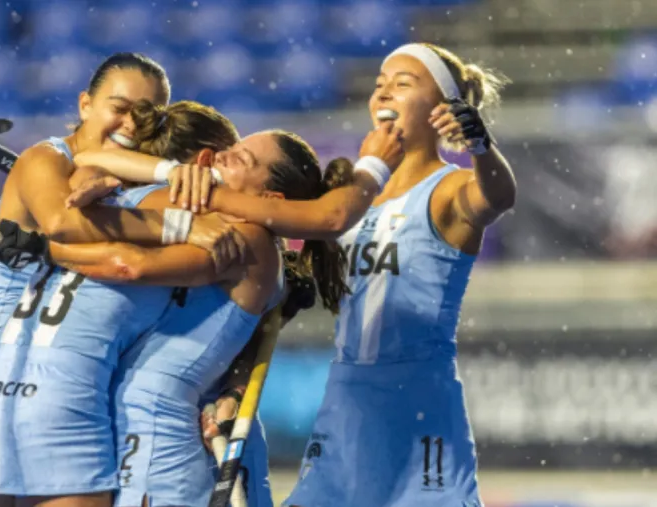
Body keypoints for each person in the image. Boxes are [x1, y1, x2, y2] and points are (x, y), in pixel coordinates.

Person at [181, 42, 516, 507]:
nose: (384, 93)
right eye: (379, 84)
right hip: (347, 395)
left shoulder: (449, 187)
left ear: (443, 107)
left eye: (403, 84)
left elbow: (497, 196)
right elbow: (276, 221)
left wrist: (482, 149)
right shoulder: (350, 194)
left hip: (416, 397)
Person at [0, 53, 244, 507]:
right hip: (32, 392)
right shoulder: (45, 159)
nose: (131, 124)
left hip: (10, 394)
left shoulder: (131, 186)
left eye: (148, 116)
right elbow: (64, 221)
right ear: (85, 104)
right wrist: (180, 224)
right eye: (118, 107)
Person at [54, 124, 348, 507]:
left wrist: (48, 244)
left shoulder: (246, 238)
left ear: (268, 197)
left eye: (241, 158)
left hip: (168, 428)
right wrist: (165, 173)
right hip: (180, 419)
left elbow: (133, 265)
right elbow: (87, 158)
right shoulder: (218, 223)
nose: (222, 156)